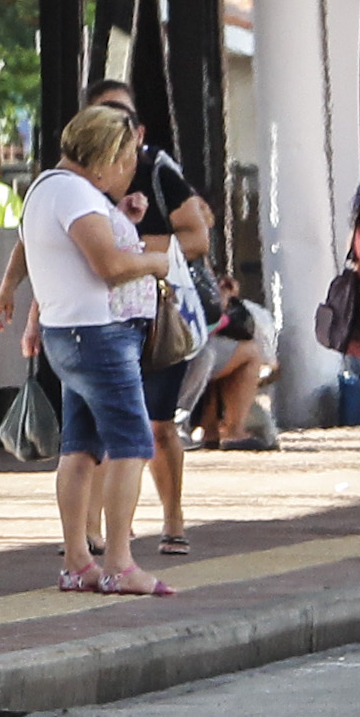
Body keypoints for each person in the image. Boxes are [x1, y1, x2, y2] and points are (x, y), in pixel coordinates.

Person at [24, 102, 179, 599]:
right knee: (132, 445)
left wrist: (120, 216)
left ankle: (78, 562)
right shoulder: (74, 193)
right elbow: (108, 265)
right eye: (126, 160)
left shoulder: (51, 188)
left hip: (70, 333)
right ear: (106, 156)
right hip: (99, 335)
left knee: (80, 448)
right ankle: (119, 563)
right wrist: (155, 261)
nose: (130, 170)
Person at [84, 79, 220, 555]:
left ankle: (173, 517)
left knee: (159, 424)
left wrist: (137, 254)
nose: (114, 128)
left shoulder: (157, 171)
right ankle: (95, 528)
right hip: (99, 315)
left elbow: (198, 238)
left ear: (139, 129)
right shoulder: (74, 180)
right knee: (103, 424)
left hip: (160, 314)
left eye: (123, 118)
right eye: (102, 115)